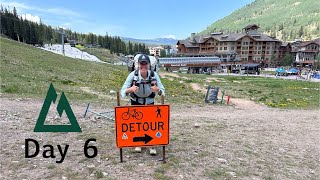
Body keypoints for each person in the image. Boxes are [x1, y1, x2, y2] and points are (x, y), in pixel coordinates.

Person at [120, 54, 165, 155]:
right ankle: (138, 144)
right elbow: (122, 92)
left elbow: (163, 91)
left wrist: (158, 90)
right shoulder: (133, 75)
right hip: (136, 102)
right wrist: (130, 89)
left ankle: (151, 145)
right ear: (138, 64)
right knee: (137, 124)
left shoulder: (154, 75)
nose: (143, 66)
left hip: (149, 102)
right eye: (142, 64)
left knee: (150, 124)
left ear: (149, 65)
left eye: (146, 64)